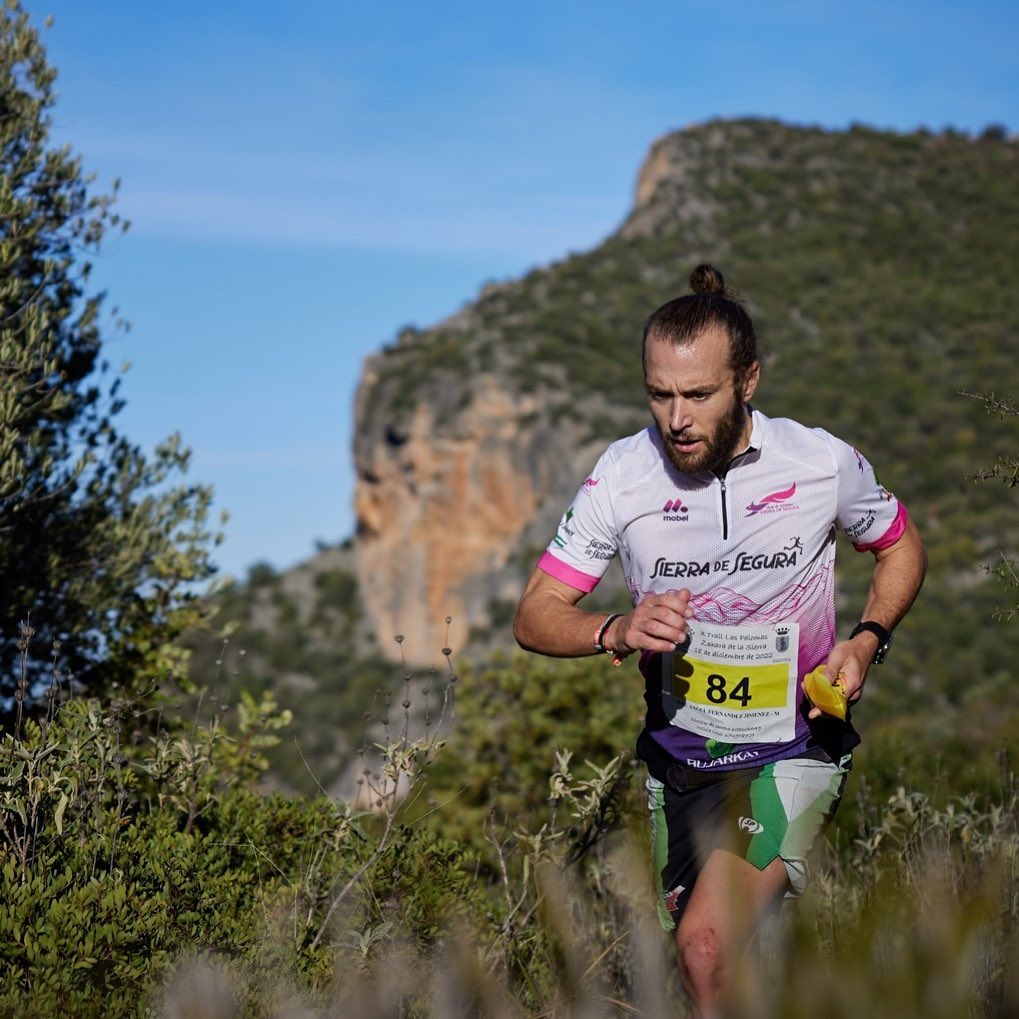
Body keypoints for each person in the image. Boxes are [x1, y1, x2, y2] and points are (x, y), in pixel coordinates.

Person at [512, 264, 926, 1016]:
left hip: (795, 750)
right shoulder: (622, 476)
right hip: (681, 765)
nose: (675, 417)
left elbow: (900, 545)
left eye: (697, 395)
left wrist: (866, 639)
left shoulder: (818, 462)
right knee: (710, 975)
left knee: (704, 948)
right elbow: (535, 612)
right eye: (658, 394)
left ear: (747, 381)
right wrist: (615, 627)